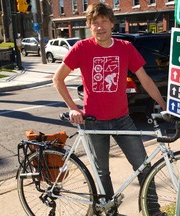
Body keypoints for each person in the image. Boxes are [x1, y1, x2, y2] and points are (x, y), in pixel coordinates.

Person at [53, 2, 166, 215]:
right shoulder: (81, 48)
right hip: (93, 121)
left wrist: (163, 104)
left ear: (112, 23)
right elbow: (57, 79)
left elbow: (146, 79)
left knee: (143, 167)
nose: (100, 26)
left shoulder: (125, 48)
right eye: (95, 23)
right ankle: (110, 211)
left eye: (104, 21)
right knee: (102, 172)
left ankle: (154, 211)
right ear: (89, 26)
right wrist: (73, 108)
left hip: (122, 118)